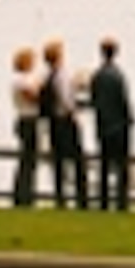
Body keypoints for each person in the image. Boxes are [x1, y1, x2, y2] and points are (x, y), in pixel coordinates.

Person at [87, 36, 135, 210]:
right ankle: (122, 201)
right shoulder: (117, 76)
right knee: (122, 165)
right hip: (119, 126)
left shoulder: (97, 76)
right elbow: (123, 100)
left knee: (105, 165)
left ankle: (104, 201)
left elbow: (93, 100)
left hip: (102, 125)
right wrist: (129, 119)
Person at [41, 37, 87, 208]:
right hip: (65, 121)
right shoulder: (62, 75)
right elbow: (66, 99)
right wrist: (75, 112)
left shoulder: (48, 76)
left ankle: (60, 197)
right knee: (78, 160)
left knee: (59, 161)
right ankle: (81, 198)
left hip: (54, 122)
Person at [8, 46, 44, 208]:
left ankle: (25, 193)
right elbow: (33, 97)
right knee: (28, 160)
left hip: (26, 120)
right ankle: (24, 195)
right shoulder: (21, 81)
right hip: (28, 120)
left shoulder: (23, 80)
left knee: (28, 160)